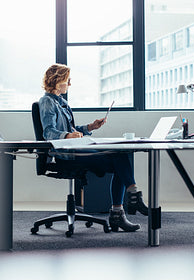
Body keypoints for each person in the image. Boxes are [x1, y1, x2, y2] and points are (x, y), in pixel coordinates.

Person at [38, 63, 148, 232]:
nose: (70, 84)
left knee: (121, 155)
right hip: (67, 155)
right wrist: (67, 136)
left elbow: (72, 131)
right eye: (68, 80)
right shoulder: (47, 101)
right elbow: (48, 132)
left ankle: (125, 206)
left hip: (77, 148)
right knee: (119, 158)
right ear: (57, 80)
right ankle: (129, 202)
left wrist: (90, 127)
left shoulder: (62, 103)